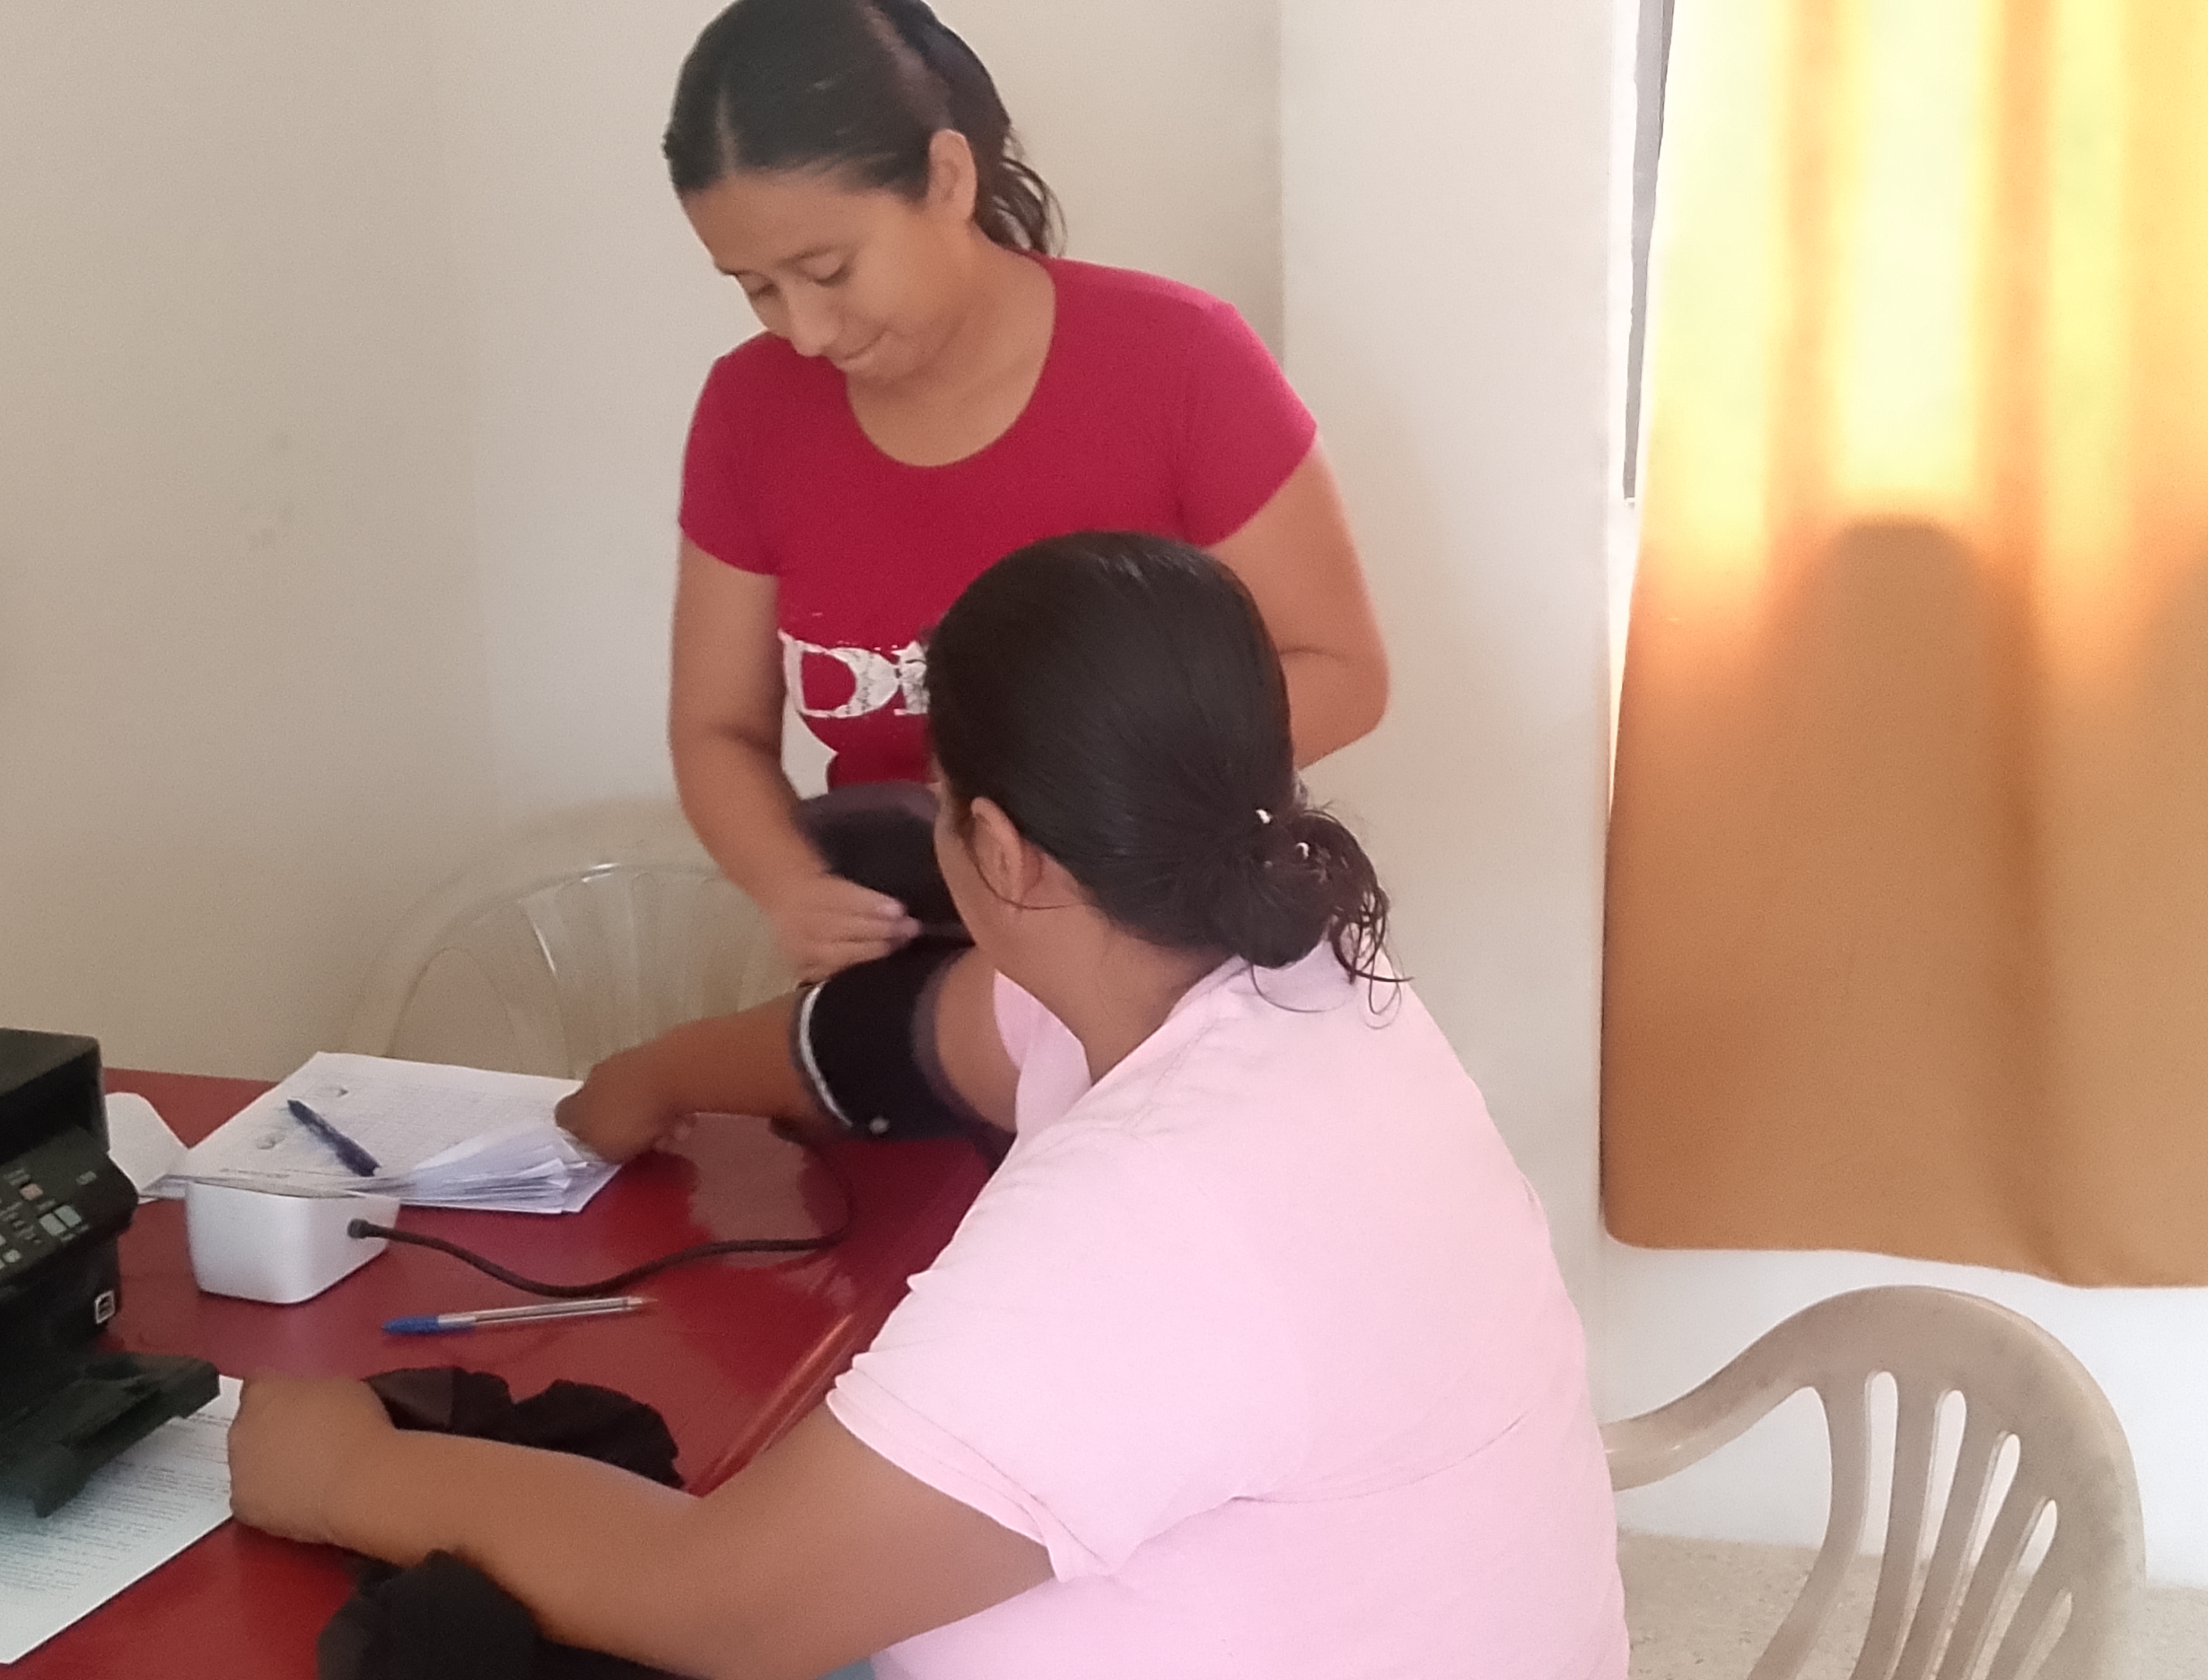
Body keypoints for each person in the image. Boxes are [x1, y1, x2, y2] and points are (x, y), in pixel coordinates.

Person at [229, 534, 1621, 1680]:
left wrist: (343, 1475)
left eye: (942, 802)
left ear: (999, 850)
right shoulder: (1290, 975)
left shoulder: (1154, 1204)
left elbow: (726, 1608)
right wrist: (654, 1075)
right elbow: (900, 1043)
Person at [661, 0, 1389, 982]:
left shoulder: (1180, 363)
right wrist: (788, 884)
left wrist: (1078, 803)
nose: (806, 331)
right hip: (908, 958)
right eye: (755, 287)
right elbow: (717, 730)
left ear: (946, 177)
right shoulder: (750, 411)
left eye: (828, 271)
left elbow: (1342, 674)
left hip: (1156, 953)